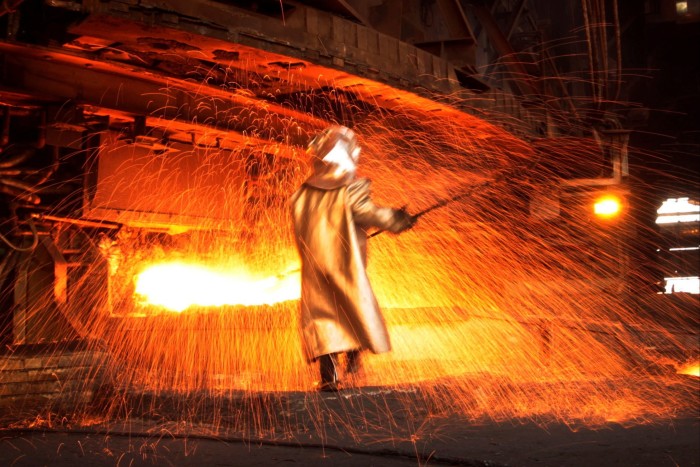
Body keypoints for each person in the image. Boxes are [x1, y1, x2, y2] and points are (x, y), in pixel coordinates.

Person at [290, 125, 416, 391]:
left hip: (316, 269)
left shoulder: (301, 195)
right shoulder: (349, 189)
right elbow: (368, 213)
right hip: (345, 267)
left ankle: (330, 378)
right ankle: (355, 368)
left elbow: (309, 229)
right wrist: (398, 219)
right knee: (352, 313)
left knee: (323, 320)